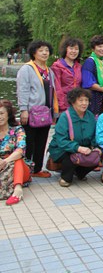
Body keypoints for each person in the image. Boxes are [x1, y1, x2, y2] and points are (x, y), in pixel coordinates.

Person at [16, 40, 59, 178]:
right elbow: (22, 90)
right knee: (29, 142)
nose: (44, 53)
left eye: (46, 50)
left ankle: (37, 169)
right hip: (31, 112)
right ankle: (25, 170)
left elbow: (53, 92)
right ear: (34, 53)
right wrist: (24, 109)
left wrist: (54, 112)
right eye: (41, 50)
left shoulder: (49, 71)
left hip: (45, 113)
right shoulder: (27, 69)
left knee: (42, 141)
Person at [48, 88, 98, 187]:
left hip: (84, 148)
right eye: (81, 100)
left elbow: (94, 135)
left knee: (96, 157)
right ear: (73, 102)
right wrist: (78, 148)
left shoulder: (90, 116)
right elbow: (61, 141)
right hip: (63, 149)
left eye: (86, 100)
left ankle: (79, 173)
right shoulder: (65, 117)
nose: (84, 103)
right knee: (70, 157)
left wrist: (95, 147)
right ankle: (65, 177)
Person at [0, 100, 31, 205]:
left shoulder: (18, 130)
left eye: (1, 113)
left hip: (18, 168)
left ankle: (18, 189)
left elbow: (20, 150)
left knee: (17, 158)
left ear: (8, 114)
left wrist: (5, 161)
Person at [52, 38, 84, 113]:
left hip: (78, 104)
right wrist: (62, 106)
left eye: (76, 49)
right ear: (65, 49)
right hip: (63, 106)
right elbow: (57, 88)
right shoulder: (57, 66)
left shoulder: (79, 66)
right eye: (71, 48)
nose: (74, 51)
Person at [82, 35, 103, 115]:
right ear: (93, 48)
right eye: (99, 46)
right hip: (94, 98)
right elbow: (87, 82)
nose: (102, 49)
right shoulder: (90, 62)